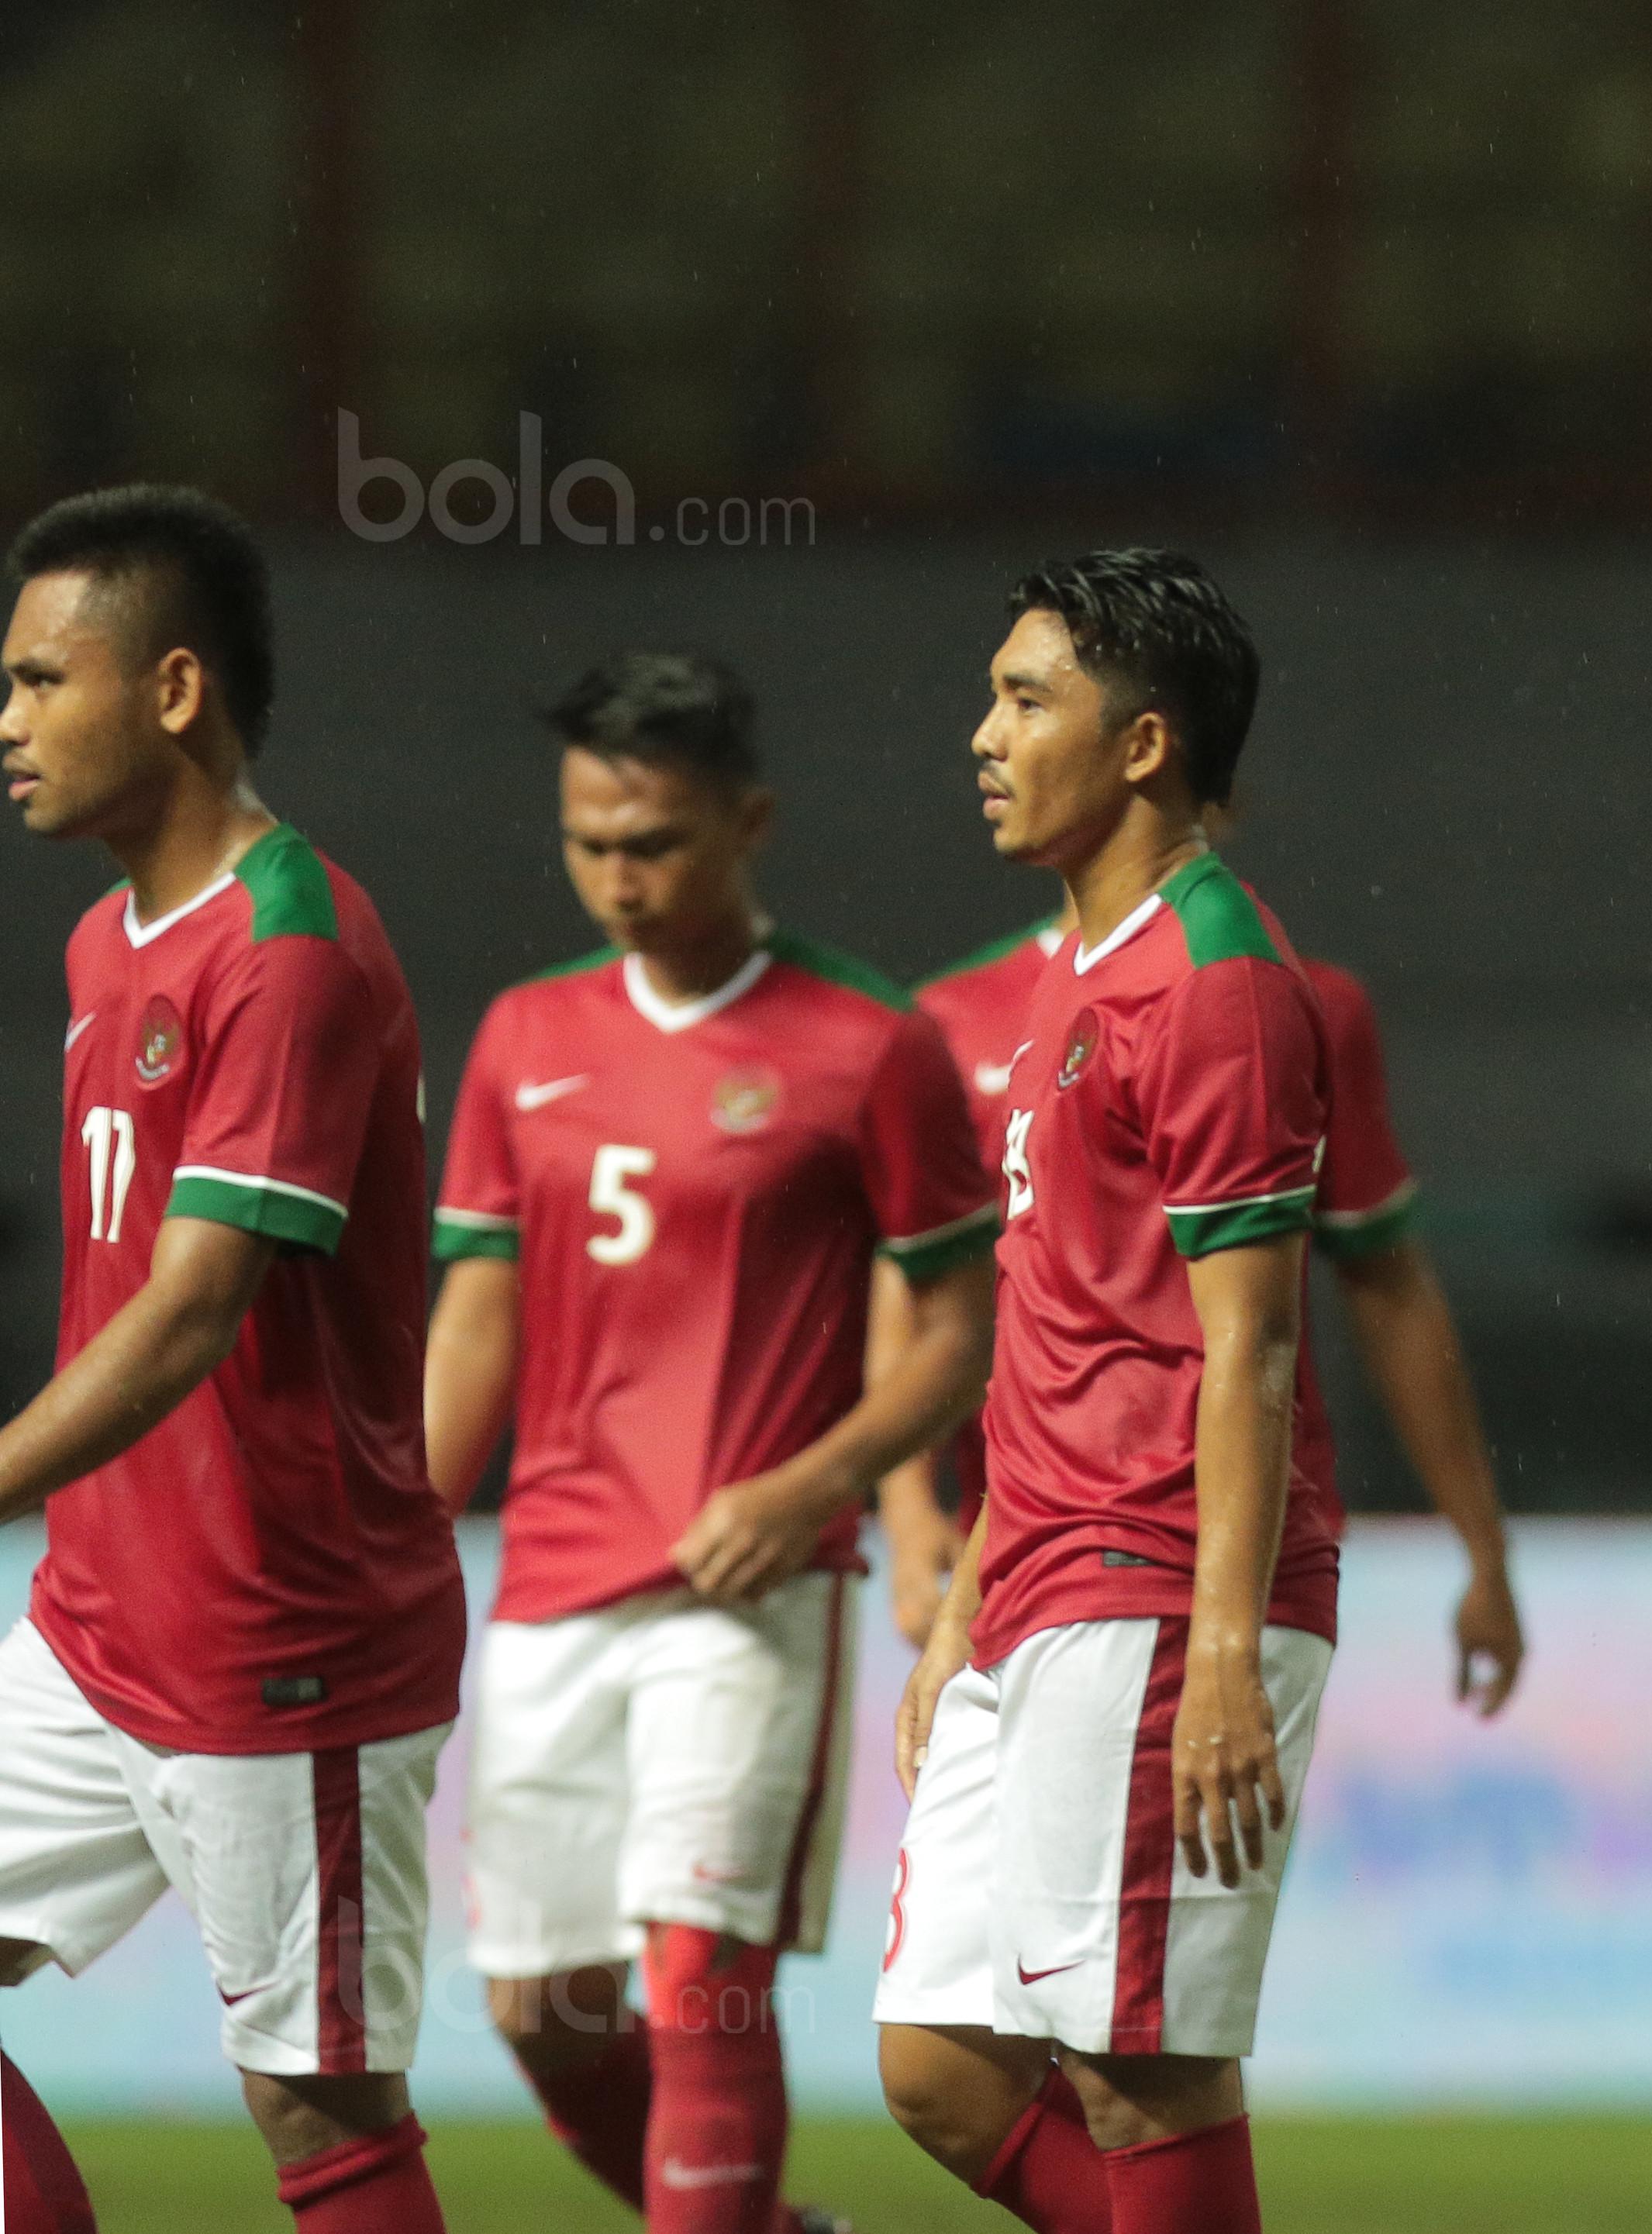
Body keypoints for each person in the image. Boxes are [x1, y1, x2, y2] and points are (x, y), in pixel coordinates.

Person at [424, 650, 1000, 2232]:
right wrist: (404, 1523)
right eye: (589, 841)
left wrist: (816, 1484)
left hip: (751, 1588)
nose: (618, 875)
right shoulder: (522, 1034)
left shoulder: (867, 1041)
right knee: (541, 2005)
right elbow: (477, 1315)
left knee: (701, 1976)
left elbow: (961, 1328)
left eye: (656, 842)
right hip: (550, 1581)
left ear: (748, 821)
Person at [0, 486, 466, 2234]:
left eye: (45, 678)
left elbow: (194, 1306)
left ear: (175, 688)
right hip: (102, 1616)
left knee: (320, 2107)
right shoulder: (103, 943)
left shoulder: (290, 946)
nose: (9, 721)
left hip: (286, 1639)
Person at [873, 550, 1340, 2234]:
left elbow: (1253, 1345)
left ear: (1143, 744)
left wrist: (1220, 1649)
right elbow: (1061, 1325)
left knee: (1138, 2065)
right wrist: (957, 1606)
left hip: (1159, 1582)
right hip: (1040, 1573)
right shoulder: (1075, 973)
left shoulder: (1212, 978)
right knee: (935, 2056)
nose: (982, 735)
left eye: (1022, 698)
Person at [889, 871, 1521, 1711]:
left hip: (1186, 1546)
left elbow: (1385, 1285)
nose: (994, 739)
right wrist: (903, 1507)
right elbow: (919, 1278)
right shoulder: (952, 1015)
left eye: (1030, 722)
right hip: (1009, 1538)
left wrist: (1481, 1548)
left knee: (1133, 1841)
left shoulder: (1272, 995)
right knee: (966, 1848)